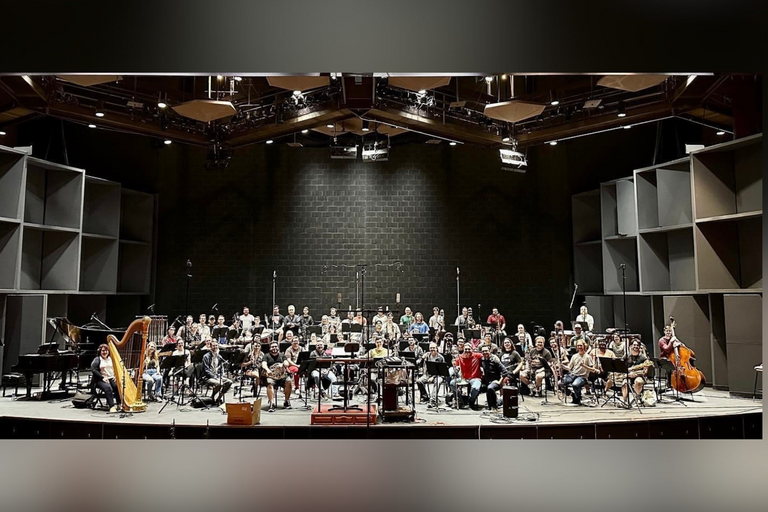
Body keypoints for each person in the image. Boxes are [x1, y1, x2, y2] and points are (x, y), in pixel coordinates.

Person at [561, 339, 597, 405]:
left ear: (584, 346)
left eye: (581, 345)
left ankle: (578, 398)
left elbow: (593, 369)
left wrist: (584, 366)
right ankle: (572, 395)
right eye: (578, 346)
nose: (579, 347)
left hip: (582, 377)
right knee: (560, 383)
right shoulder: (574, 356)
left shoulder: (588, 357)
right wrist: (562, 365)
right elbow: (569, 367)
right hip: (573, 374)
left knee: (575, 385)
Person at [450, 341, 484, 410]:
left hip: (475, 378)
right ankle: (460, 401)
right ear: (463, 349)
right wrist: (456, 368)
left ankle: (470, 402)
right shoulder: (459, 357)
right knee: (452, 383)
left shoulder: (477, 356)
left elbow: (486, 356)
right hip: (464, 378)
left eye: (469, 349)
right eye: (466, 349)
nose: (467, 351)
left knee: (475, 388)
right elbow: (456, 369)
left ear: (472, 349)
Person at [262, 341, 292, 412]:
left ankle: (287, 401)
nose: (274, 348)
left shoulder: (282, 355)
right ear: (270, 348)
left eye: (275, 346)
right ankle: (271, 404)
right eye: (272, 347)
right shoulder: (266, 356)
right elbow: (264, 364)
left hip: (282, 376)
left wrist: (282, 364)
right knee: (269, 383)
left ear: (278, 347)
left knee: (289, 381)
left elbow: (287, 363)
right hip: (271, 376)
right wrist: (267, 370)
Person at [91, 344, 120, 412]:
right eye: (103, 351)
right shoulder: (97, 359)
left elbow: (115, 369)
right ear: (100, 351)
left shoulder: (111, 359)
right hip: (99, 380)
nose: (105, 352)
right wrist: (102, 377)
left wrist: (116, 376)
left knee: (117, 386)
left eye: (106, 350)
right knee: (108, 387)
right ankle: (111, 406)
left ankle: (119, 404)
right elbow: (93, 369)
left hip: (110, 377)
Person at [480, 345, 508, 411]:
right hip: (487, 381)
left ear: (490, 351)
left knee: (490, 388)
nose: (485, 352)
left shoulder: (495, 360)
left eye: (486, 351)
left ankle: (494, 407)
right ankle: (500, 401)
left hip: (495, 381)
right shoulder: (482, 360)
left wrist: (499, 382)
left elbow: (505, 371)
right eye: (483, 351)